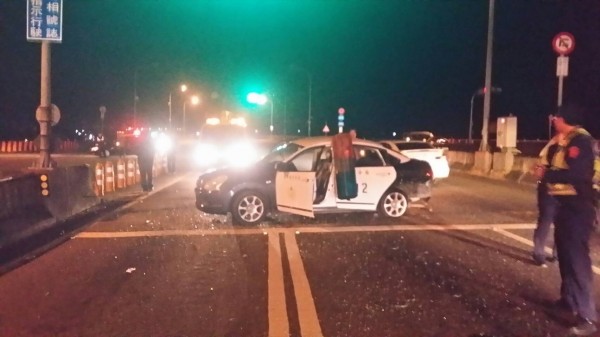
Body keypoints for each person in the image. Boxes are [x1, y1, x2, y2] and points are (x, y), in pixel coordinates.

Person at [540, 104, 597, 336]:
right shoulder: (565, 139)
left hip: (578, 208)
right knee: (564, 255)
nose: (553, 120)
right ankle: (568, 300)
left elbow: (578, 173)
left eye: (555, 117)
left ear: (563, 119)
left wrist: (547, 175)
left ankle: (587, 315)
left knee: (577, 260)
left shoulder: (580, 142)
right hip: (565, 206)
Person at [531, 132, 563, 267]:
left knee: (558, 221)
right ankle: (539, 253)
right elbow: (540, 168)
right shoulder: (552, 148)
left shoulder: (553, 146)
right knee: (546, 219)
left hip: (561, 189)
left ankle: (554, 254)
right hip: (550, 188)